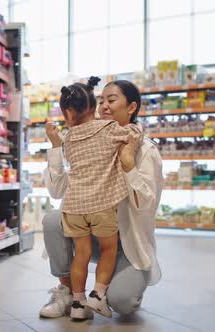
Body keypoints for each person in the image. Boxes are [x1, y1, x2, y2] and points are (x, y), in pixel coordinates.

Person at [39, 80, 163, 319]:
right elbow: (57, 191)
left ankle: (111, 287)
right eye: (101, 100)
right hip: (92, 231)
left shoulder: (144, 150)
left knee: (122, 302)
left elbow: (146, 205)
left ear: (131, 108)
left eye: (112, 100)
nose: (104, 106)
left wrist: (128, 164)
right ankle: (68, 293)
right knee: (53, 221)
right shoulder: (87, 139)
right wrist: (56, 147)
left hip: (127, 242)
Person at [56, 76, 143, 321]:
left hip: (73, 206)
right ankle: (98, 294)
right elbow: (132, 134)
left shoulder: (68, 138)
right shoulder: (109, 129)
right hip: (101, 205)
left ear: (69, 114)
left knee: (80, 255)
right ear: (95, 106)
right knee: (107, 250)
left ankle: (77, 302)